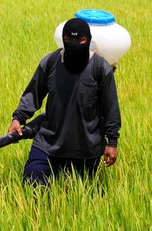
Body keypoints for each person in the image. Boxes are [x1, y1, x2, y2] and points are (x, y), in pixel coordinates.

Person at [9, 18, 121, 186]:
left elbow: (110, 107)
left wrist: (112, 142)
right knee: (33, 182)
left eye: (79, 40)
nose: (74, 44)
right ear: (63, 38)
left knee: (79, 192)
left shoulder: (100, 68)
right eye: (69, 40)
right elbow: (33, 94)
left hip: (86, 146)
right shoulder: (51, 62)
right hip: (49, 141)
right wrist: (18, 118)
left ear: (88, 40)